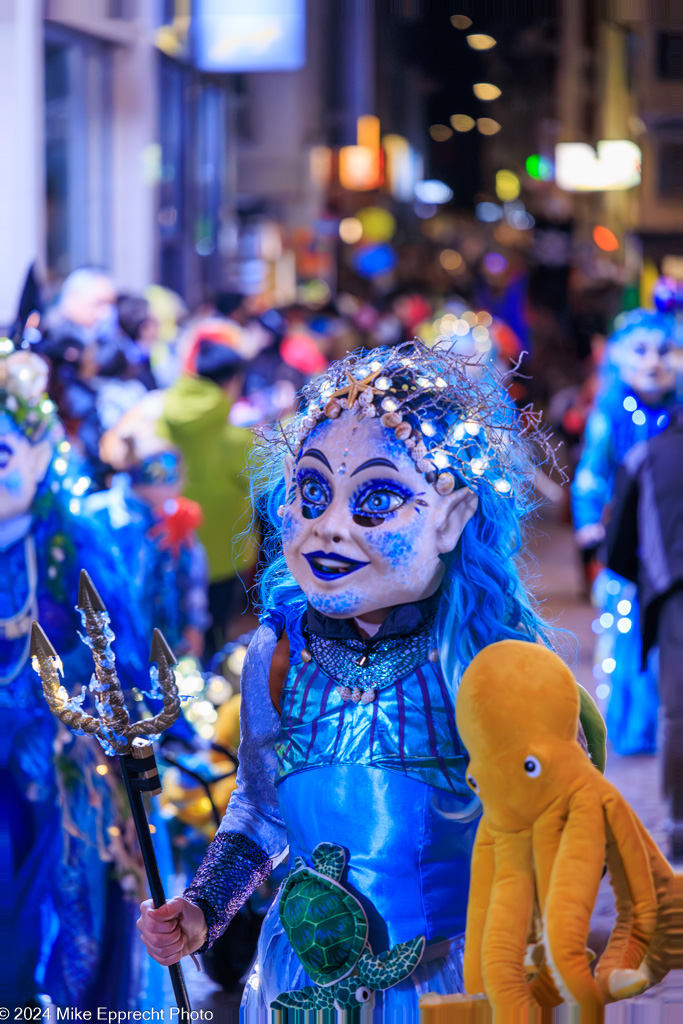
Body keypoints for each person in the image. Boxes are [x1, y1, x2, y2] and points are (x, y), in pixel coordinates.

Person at [138, 340, 603, 1017]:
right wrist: (206, 906)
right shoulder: (278, 651)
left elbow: (560, 833)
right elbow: (263, 806)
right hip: (297, 988)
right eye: (312, 492)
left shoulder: (489, 662)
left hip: (448, 988)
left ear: (450, 518)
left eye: (376, 499)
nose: (328, 529)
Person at [0, 341, 166, 1008]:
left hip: (57, 755)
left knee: (70, 899)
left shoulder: (73, 544)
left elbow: (116, 659)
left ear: (41, 457)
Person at [571, 308, 676, 755]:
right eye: (641, 350)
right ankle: (635, 726)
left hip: (674, 540)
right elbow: (592, 474)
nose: (653, 361)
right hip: (629, 541)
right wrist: (591, 523)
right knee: (626, 632)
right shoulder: (612, 410)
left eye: (665, 350)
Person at [605, 408, 683, 857]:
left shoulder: (645, 456)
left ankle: (678, 825)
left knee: (677, 715)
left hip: (674, 597)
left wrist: (651, 581)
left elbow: (615, 547)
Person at [157, 321, 258, 660]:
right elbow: (262, 480)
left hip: (165, 545)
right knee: (212, 639)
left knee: (167, 634)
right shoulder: (234, 438)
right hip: (220, 556)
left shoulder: (163, 412)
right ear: (231, 382)